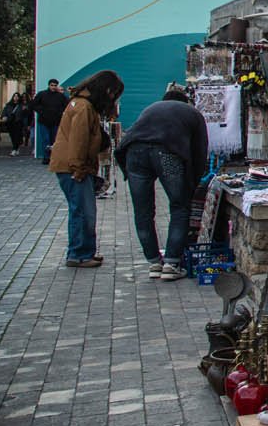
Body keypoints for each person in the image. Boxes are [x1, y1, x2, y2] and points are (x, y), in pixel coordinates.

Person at [115, 87, 207, 281]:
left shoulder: (151, 108)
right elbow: (199, 152)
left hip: (134, 153)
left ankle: (154, 262)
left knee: (143, 210)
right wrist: (193, 184)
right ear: (186, 101)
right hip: (167, 153)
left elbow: (131, 134)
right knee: (180, 207)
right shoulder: (192, 113)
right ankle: (172, 263)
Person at [48, 70, 123, 268]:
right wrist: (79, 168)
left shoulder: (80, 103)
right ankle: (79, 254)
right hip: (74, 167)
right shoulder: (83, 107)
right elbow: (78, 141)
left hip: (71, 165)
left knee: (82, 210)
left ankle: (83, 251)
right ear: (107, 90)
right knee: (83, 211)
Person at [30, 79, 69, 164]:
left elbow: (66, 105)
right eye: (52, 85)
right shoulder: (42, 94)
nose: (53, 87)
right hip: (44, 121)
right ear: (49, 85)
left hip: (55, 121)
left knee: (54, 140)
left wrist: (59, 113)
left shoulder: (60, 96)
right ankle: (46, 157)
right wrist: (42, 111)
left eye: (55, 85)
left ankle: (53, 157)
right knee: (46, 140)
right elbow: (34, 104)